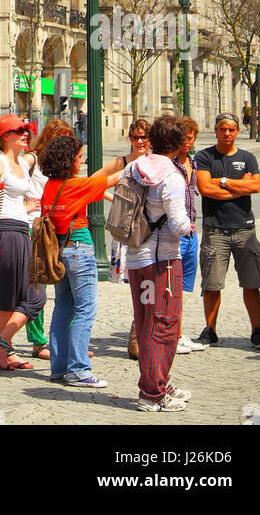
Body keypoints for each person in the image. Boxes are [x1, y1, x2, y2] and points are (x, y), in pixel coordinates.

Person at [38, 134, 124, 388]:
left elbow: (98, 177)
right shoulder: (75, 186)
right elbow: (111, 180)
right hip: (79, 249)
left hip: (59, 251)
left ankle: (59, 368)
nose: (81, 160)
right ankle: (79, 370)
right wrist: (138, 164)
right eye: (78, 157)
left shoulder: (51, 185)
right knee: (85, 310)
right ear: (68, 161)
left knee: (63, 308)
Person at [123, 115, 193, 412]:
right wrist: (189, 226)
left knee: (145, 321)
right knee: (163, 325)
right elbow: (178, 224)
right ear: (178, 145)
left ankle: (158, 381)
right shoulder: (172, 177)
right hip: (162, 262)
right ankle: (152, 393)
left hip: (137, 257)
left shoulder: (134, 167)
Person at [194, 112, 260, 350]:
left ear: (238, 132)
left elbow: (255, 185)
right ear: (216, 131)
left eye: (232, 129)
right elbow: (205, 188)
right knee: (212, 283)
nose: (227, 133)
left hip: (245, 229)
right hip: (215, 229)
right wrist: (239, 187)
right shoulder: (205, 156)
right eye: (223, 129)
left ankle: (256, 330)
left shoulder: (248, 158)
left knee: (251, 281)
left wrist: (223, 181)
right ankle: (210, 329)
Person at [0, 115, 45, 372]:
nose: (24, 134)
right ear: (4, 136)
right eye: (18, 131)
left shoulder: (20, 162)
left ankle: (2, 344)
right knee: (9, 297)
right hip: (4, 231)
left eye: (26, 130)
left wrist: (26, 206)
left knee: (31, 295)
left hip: (22, 230)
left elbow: (16, 196)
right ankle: (5, 350)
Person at [24, 119, 72, 359]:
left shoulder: (64, 163)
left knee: (68, 285)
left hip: (60, 226)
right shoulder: (33, 158)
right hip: (38, 227)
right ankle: (38, 341)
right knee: (38, 283)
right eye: (59, 138)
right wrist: (25, 204)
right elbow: (7, 178)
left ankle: (69, 341)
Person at [108, 120, 152, 358]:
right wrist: (110, 198)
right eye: (136, 137)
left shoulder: (156, 161)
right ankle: (137, 336)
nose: (141, 142)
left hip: (150, 232)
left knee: (149, 284)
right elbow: (97, 181)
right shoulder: (122, 162)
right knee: (137, 285)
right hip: (128, 232)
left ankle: (139, 334)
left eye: (144, 137)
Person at [172, 116, 207, 354]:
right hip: (174, 234)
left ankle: (179, 333)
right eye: (183, 137)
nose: (187, 141)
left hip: (191, 232)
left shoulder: (193, 163)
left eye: (191, 137)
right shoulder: (168, 163)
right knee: (169, 287)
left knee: (182, 288)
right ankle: (171, 336)